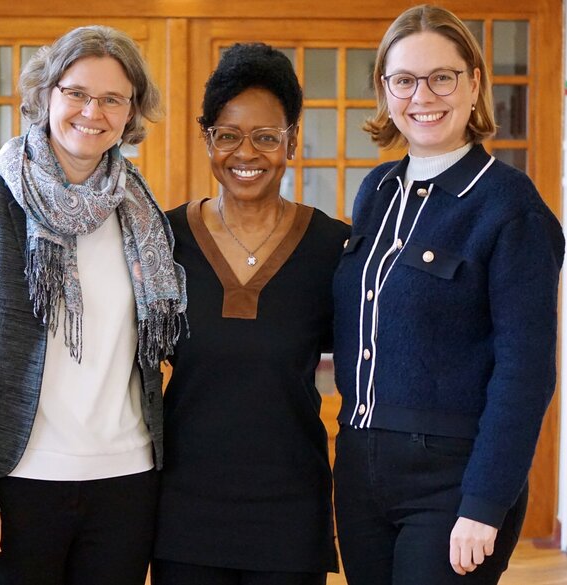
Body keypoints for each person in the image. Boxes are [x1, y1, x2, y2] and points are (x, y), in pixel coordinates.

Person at [0, 25, 186, 585]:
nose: (92, 111)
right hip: (16, 483)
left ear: (130, 113)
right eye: (76, 92)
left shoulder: (142, 215)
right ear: (46, 95)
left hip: (126, 483)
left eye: (113, 98)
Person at [332, 5, 565, 585]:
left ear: (474, 83)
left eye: (442, 77)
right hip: (359, 471)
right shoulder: (377, 190)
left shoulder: (510, 207)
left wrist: (484, 503)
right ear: (385, 90)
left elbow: (526, 371)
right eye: (404, 80)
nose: (423, 96)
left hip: (452, 483)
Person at [152, 43, 349, 585]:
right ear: (207, 139)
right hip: (184, 509)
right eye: (228, 135)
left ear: (291, 141)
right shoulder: (163, 239)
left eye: (266, 136)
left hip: (290, 510)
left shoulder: (332, 247)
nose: (246, 153)